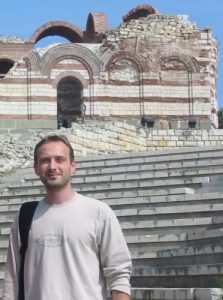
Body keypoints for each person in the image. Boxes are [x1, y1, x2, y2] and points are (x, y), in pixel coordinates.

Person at [2, 134, 132, 300]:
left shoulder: (99, 212)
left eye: (59, 159)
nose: (52, 166)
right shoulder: (25, 216)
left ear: (72, 166)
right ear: (36, 168)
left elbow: (119, 274)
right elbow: (11, 280)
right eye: (45, 160)